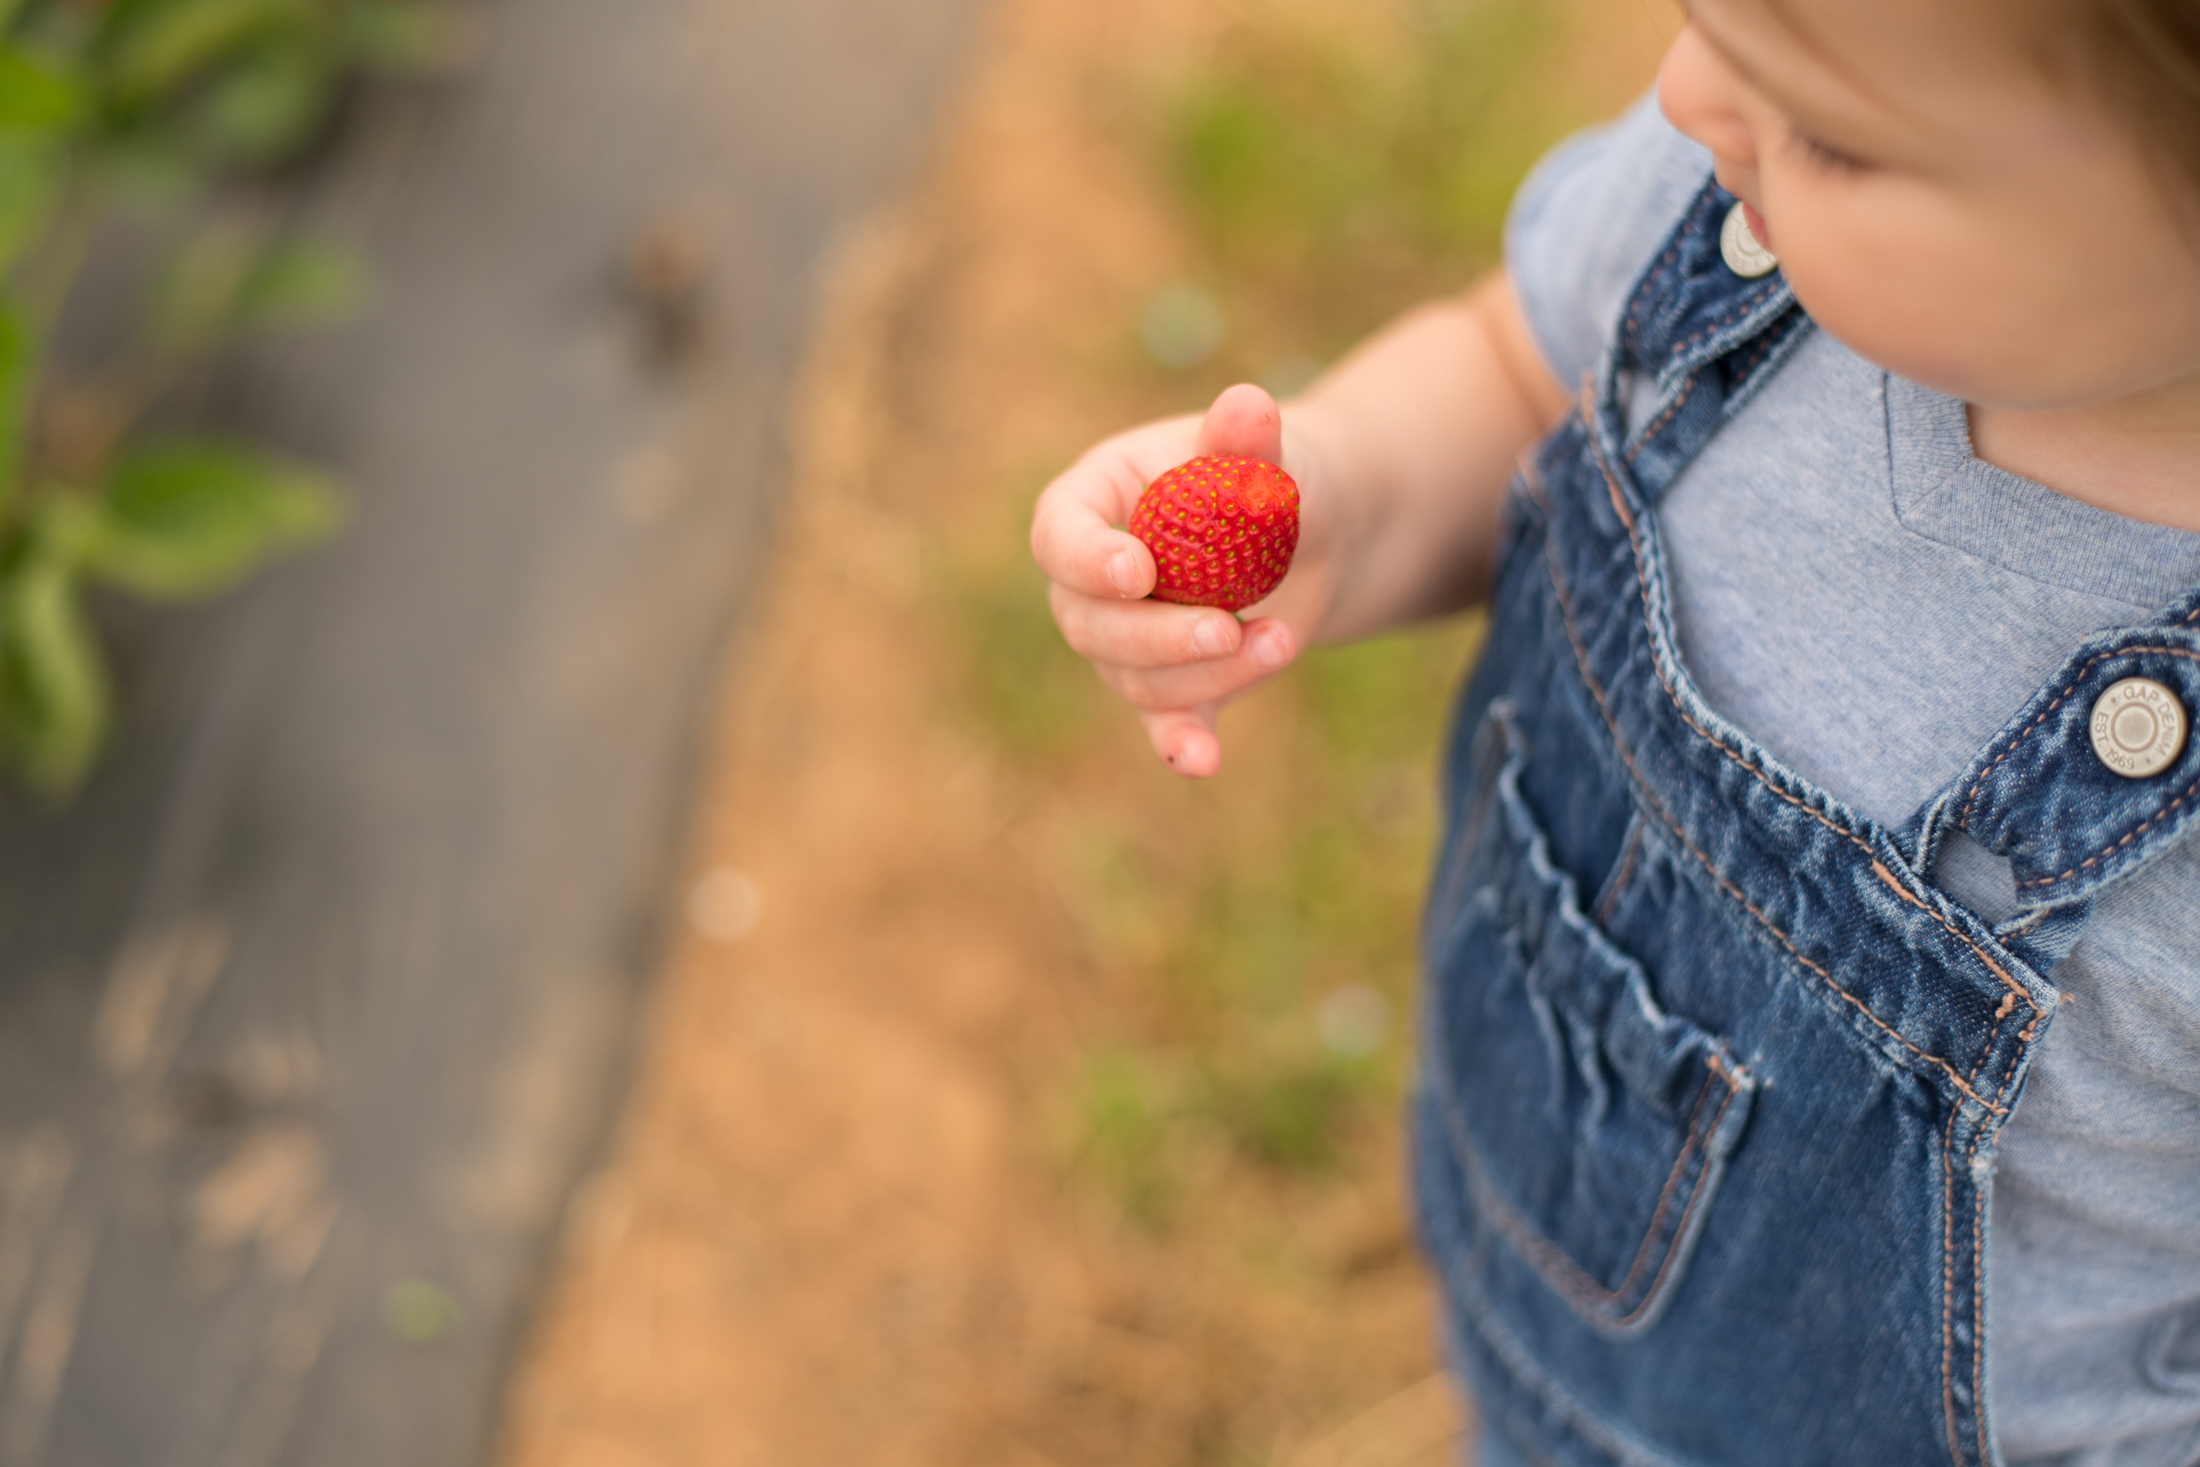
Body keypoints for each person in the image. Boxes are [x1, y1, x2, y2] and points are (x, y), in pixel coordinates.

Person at [1030, 0, 2200, 1463]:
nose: (1689, 93)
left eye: (1830, 132)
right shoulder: (1734, 218)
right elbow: (1524, 369)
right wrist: (1354, 494)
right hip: (1511, 1241)